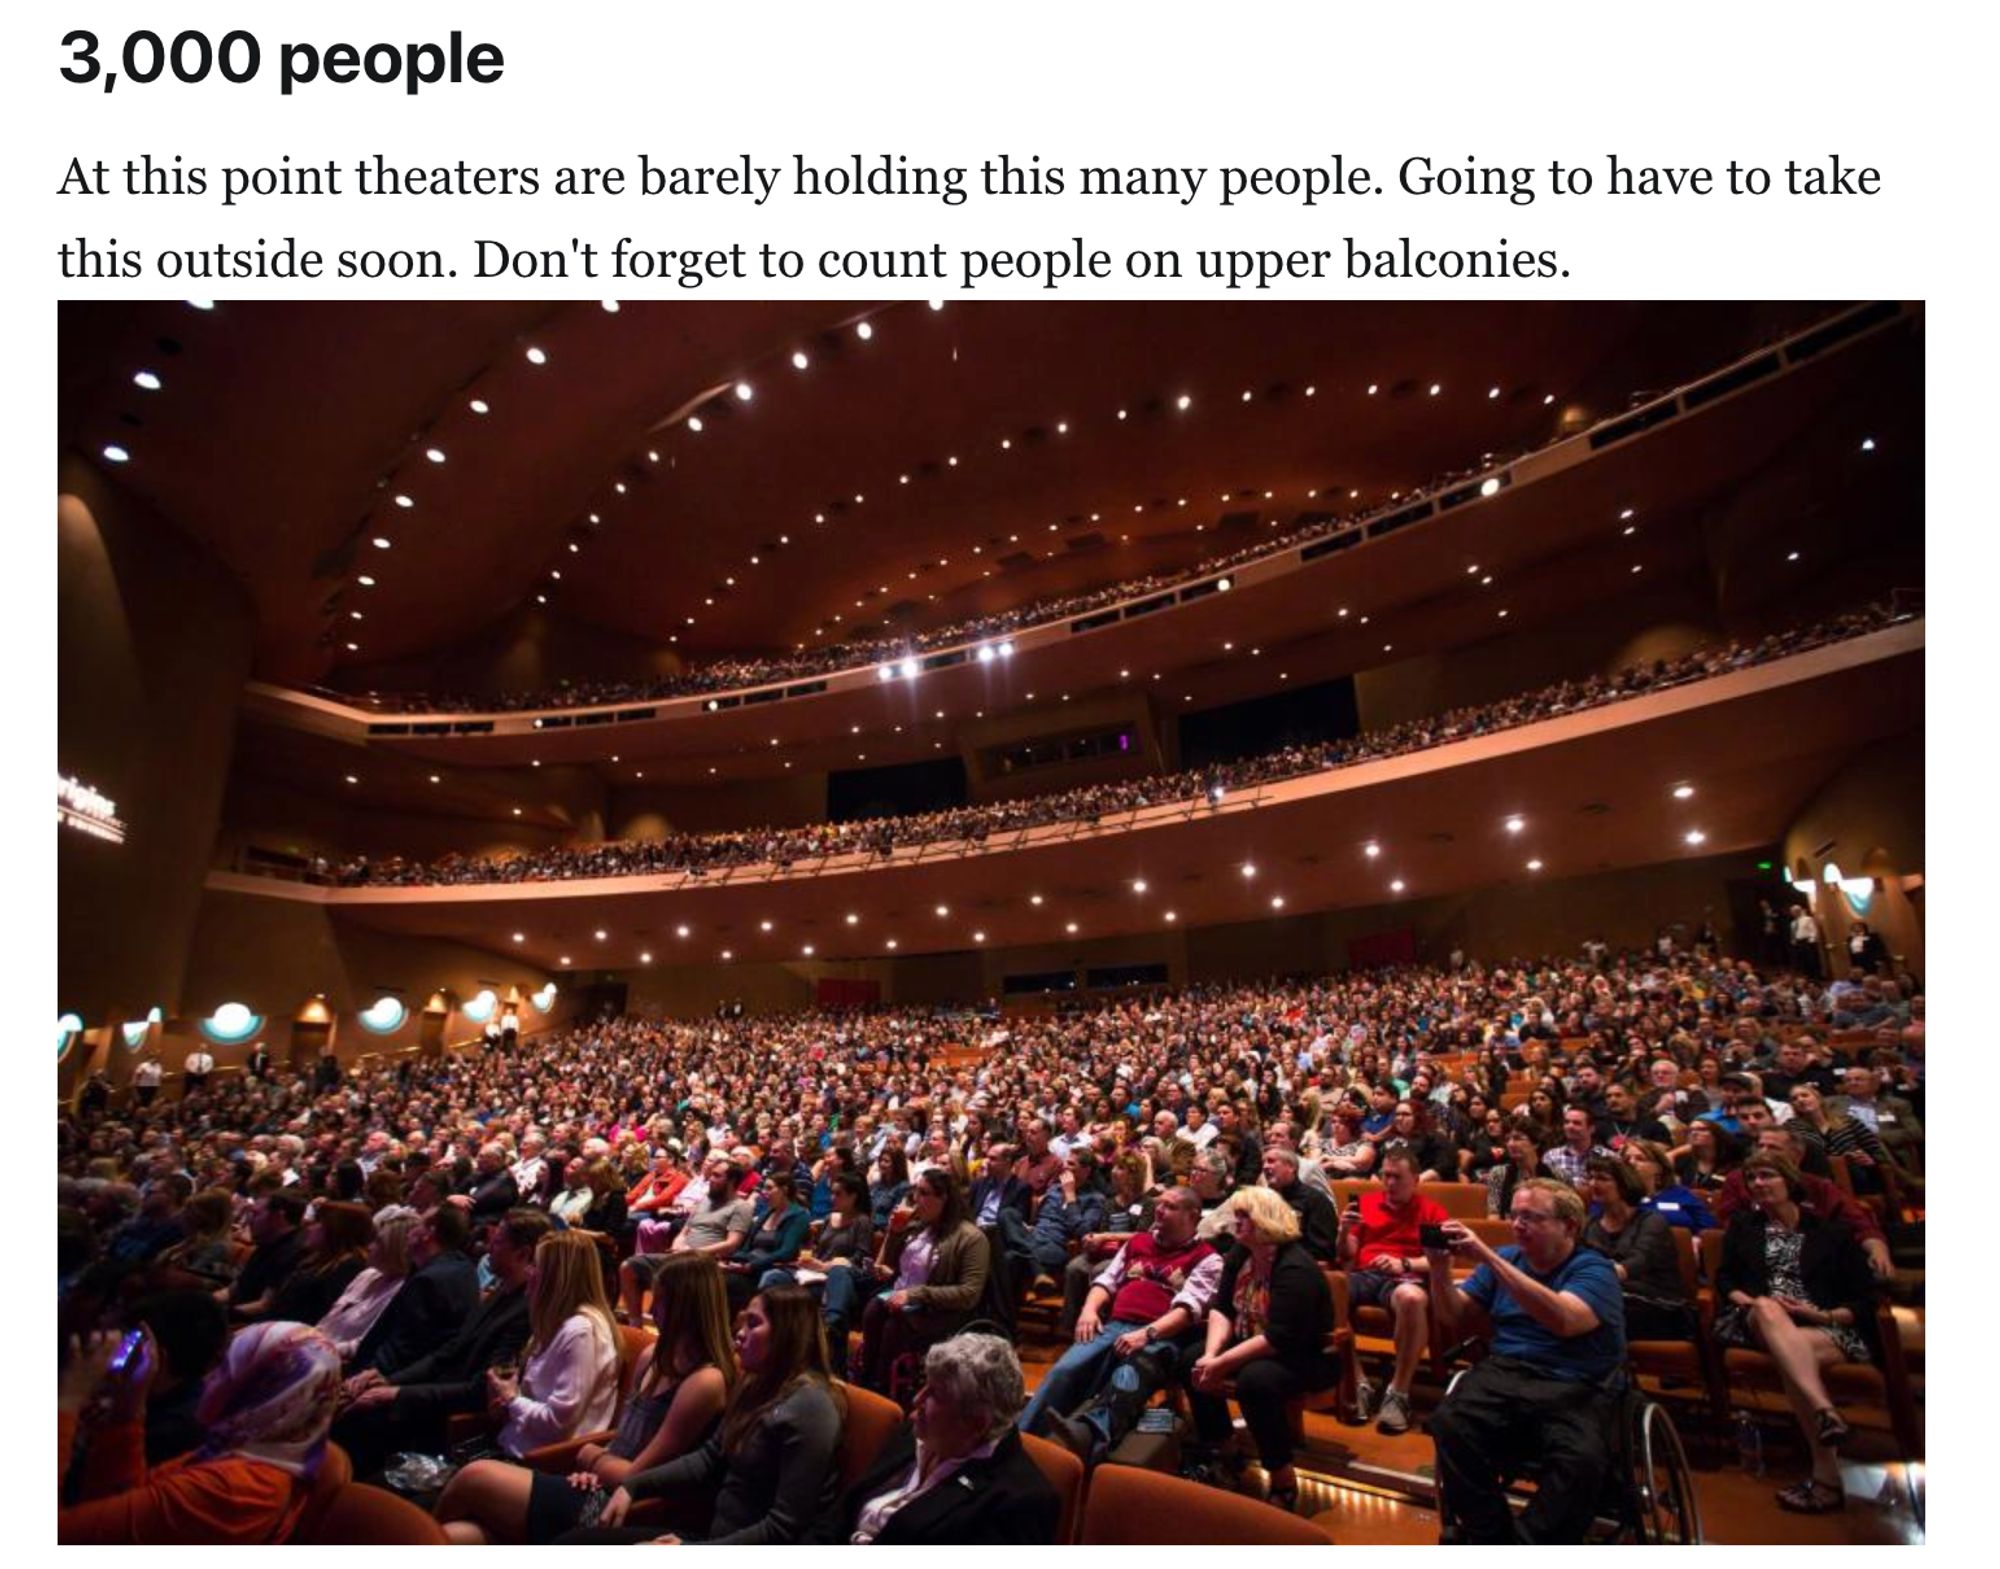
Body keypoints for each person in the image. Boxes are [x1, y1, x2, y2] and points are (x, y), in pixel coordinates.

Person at [436, 1251, 733, 1543]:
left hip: (624, 1508)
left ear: (689, 1308)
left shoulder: (705, 1381)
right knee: (458, 1536)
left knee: (473, 1477)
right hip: (596, 1483)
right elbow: (622, 1442)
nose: (652, 1309)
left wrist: (592, 1457)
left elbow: (636, 1475)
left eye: (663, 1301)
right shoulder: (652, 1357)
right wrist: (594, 1465)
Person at [1423, 1178, 1627, 1544]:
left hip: (1576, 1380)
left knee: (1580, 1461)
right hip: (1508, 1371)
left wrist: (1486, 1256)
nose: (1518, 1224)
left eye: (1531, 1217)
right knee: (1448, 1423)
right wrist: (1440, 1269)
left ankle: (1528, 1545)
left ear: (1569, 1226)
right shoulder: (1507, 1258)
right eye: (1514, 1215)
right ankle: (1491, 1537)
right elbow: (1454, 1316)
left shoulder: (1594, 1269)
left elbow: (1565, 1320)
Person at [574, 1287, 844, 1545]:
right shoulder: (754, 1386)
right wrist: (633, 1485)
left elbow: (784, 1527)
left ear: (787, 1334)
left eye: (753, 1324)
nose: (739, 1333)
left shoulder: (812, 1406)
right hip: (712, 1539)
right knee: (576, 1543)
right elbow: (709, 1458)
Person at [58, 1321, 344, 1544]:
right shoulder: (242, 1450)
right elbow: (113, 1504)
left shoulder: (234, 1490)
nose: (208, 1380)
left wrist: (68, 1398)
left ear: (262, 1394)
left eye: (225, 1370)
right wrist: (129, 1406)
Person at [1712, 1153, 1879, 1514]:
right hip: (1759, 1318)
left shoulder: (1832, 1233)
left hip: (1823, 1325)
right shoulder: (1744, 1225)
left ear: (1789, 1181)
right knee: (1770, 1309)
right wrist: (1749, 1302)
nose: (1758, 1184)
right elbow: (1725, 1279)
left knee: (1795, 1357)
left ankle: (1827, 1478)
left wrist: (1820, 1313)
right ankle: (1825, 1410)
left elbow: (1865, 1298)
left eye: (1767, 1176)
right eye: (1752, 1178)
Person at [333, 1208, 553, 1477]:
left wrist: (398, 1394)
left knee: (353, 1420)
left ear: (523, 1254)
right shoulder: (500, 1292)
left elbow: (481, 1389)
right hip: (433, 1394)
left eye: (497, 1242)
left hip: (450, 1420)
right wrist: (389, 1380)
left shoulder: (527, 1312)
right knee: (351, 1406)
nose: (487, 1249)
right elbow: (448, 1352)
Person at [1018, 1185, 1219, 1458]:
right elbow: (1106, 1281)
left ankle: (1090, 1439)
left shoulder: (1207, 1258)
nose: (1159, 1210)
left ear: (1193, 1215)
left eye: (1170, 1206)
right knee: (1064, 1372)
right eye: (1160, 1204)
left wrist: (1146, 1334)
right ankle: (1022, 1440)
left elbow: (1188, 1309)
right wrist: (1089, 1310)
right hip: (1113, 1325)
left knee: (1127, 1376)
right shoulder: (1137, 1242)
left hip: (1160, 1336)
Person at [811, 1335, 1061, 1544]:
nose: (917, 1400)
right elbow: (840, 1515)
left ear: (976, 1423)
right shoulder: (915, 1433)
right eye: (924, 1384)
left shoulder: (1021, 1503)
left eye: (935, 1394)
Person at [1184, 1187, 1337, 1513]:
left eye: (1244, 1216)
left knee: (1256, 1381)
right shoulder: (1240, 1255)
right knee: (1191, 1359)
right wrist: (1211, 1355)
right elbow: (1222, 1308)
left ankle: (1282, 1476)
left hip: (1302, 1356)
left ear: (1265, 1220)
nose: (1236, 1222)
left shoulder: (1295, 1267)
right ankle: (1226, 1448)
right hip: (1252, 1342)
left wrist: (1223, 1362)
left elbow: (1280, 1337)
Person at [1343, 1146, 1449, 1434]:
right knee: (1327, 1292)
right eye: (1386, 1176)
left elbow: (1440, 1259)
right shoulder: (1365, 1204)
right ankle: (1358, 1382)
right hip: (1365, 1273)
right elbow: (1346, 1255)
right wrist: (1344, 1231)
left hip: (1403, 1277)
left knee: (1412, 1297)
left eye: (1397, 1177)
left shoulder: (1431, 1211)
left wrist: (1404, 1263)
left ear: (1415, 1179)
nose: (1390, 1183)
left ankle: (1398, 1394)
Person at [856, 1169, 990, 1393]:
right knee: (873, 1309)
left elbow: (969, 1293)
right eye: (915, 1192)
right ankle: (867, 1377)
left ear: (944, 1198)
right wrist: (894, 1234)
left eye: (924, 1193)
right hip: (903, 1301)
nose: (916, 1200)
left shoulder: (972, 1238)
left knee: (893, 1326)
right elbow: (894, 1268)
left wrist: (915, 1294)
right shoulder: (919, 1228)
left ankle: (882, 1388)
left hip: (939, 1312)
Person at [347, 1201, 478, 1374]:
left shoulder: (429, 1281)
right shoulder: (462, 1266)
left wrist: (364, 1376)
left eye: (419, 1224)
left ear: (429, 1232)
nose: (409, 1232)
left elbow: (403, 1348)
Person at [1580, 1156, 1694, 1340]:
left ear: (1624, 1184)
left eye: (1602, 1178)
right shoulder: (1589, 1224)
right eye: (1590, 1177)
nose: (1593, 1183)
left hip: (1657, 1304)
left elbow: (1640, 1260)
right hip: (1608, 1296)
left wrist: (1598, 1276)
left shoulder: (1651, 1221)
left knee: (1594, 1310)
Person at [315, 1206, 420, 1363]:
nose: (369, 1247)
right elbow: (328, 1320)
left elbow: (367, 1343)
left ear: (394, 1249)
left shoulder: (401, 1291)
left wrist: (322, 1349)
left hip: (337, 1361)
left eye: (378, 1242)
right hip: (317, 1349)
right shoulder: (367, 1275)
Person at [267, 1201, 372, 1326]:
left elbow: (322, 1318)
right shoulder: (316, 1259)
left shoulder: (349, 1267)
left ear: (336, 1229)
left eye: (317, 1222)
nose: (308, 1227)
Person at [724, 1173, 811, 1310]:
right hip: (749, 1264)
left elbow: (786, 1252)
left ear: (785, 1190)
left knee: (730, 1283)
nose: (764, 1193)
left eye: (769, 1188)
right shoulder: (767, 1213)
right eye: (764, 1188)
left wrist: (751, 1266)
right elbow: (747, 1246)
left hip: (772, 1267)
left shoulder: (799, 1216)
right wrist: (733, 1261)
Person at [1617, 1139, 1716, 1232]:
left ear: (1658, 1168)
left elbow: (1708, 1228)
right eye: (1626, 1159)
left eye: (1640, 1159)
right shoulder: (1615, 1196)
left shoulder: (1680, 1194)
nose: (1631, 1162)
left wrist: (1698, 1239)